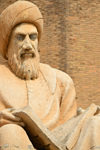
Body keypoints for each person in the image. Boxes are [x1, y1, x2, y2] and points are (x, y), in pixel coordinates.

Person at [0, 1, 99, 150]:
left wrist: (82, 120)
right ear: (8, 45)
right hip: (16, 140)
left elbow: (69, 127)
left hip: (59, 144)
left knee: (95, 124)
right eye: (20, 38)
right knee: (10, 132)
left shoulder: (61, 81)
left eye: (32, 37)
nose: (28, 45)